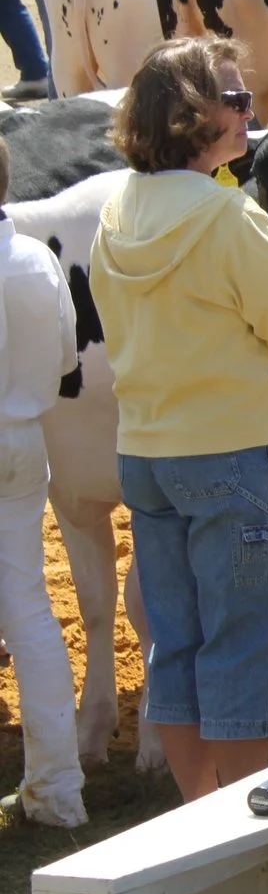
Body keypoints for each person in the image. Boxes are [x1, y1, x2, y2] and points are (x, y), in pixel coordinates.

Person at [91, 38, 268, 800]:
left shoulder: (115, 211)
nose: (248, 111)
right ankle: (240, 826)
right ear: (191, 119)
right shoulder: (229, 216)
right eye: (234, 102)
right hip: (234, 456)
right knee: (242, 643)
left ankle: (194, 814)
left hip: (147, 453)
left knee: (176, 642)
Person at [0, 133, 86, 825]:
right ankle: (57, 789)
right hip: (24, 440)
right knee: (30, 609)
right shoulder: (35, 258)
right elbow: (64, 356)